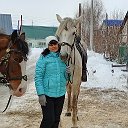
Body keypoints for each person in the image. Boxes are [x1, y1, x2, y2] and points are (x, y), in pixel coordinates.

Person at [34, 36, 70, 128]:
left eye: (55, 44)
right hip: (47, 95)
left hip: (60, 94)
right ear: (47, 46)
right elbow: (38, 77)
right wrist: (41, 94)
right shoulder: (43, 58)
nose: (54, 46)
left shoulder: (62, 57)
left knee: (56, 120)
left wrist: (67, 73)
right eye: (51, 44)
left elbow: (65, 78)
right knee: (49, 119)